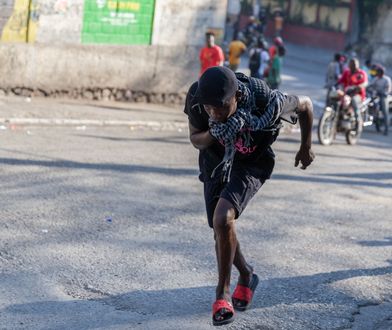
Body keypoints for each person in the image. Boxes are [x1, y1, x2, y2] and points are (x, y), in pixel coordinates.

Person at [183, 66, 315, 326]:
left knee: (223, 218)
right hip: (215, 162)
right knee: (220, 228)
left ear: (236, 97)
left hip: (253, 162)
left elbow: (306, 105)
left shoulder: (264, 100)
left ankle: (222, 295)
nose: (213, 113)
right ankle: (247, 274)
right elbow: (195, 138)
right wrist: (215, 131)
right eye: (208, 108)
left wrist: (306, 147)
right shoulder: (198, 99)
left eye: (219, 107)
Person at [337, 58, 368, 130]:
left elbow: (365, 83)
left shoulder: (361, 73)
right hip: (346, 93)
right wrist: (336, 85)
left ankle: (358, 121)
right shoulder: (347, 72)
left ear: (357, 65)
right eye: (351, 64)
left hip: (358, 95)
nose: (353, 66)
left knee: (354, 100)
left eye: (354, 64)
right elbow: (341, 80)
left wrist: (359, 86)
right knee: (337, 99)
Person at [368, 64, 391, 135]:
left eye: (379, 72)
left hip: (383, 97)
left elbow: (388, 89)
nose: (378, 73)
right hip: (376, 96)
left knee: (385, 112)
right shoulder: (376, 79)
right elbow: (371, 85)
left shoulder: (386, 79)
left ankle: (386, 129)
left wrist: (383, 92)